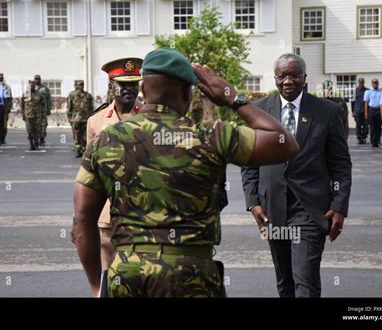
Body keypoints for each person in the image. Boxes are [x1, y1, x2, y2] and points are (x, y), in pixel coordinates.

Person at [72, 48, 299, 298]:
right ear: (188, 92)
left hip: (127, 275)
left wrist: (96, 285)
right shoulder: (213, 136)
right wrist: (233, 98)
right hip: (192, 276)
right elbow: (285, 143)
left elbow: (82, 220)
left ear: (143, 91)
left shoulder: (106, 140)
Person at [241, 53, 352, 298]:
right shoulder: (259, 111)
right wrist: (253, 203)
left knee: (306, 281)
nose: (288, 81)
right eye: (282, 76)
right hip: (273, 209)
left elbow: (341, 164)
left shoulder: (327, 111)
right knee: (285, 281)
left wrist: (340, 205)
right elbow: (250, 160)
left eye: (294, 75)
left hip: (311, 209)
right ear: (275, 78)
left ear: (304, 77)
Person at [84, 57, 144, 274]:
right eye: (123, 84)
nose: (129, 89)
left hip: (144, 212)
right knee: (108, 276)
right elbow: (90, 173)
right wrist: (81, 218)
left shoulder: (151, 116)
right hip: (108, 213)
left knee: (142, 275)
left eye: (133, 84)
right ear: (111, 86)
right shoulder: (96, 121)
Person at [67, 80, 93, 158]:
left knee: (85, 136)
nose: (80, 86)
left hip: (86, 119)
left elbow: (91, 108)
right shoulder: (72, 95)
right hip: (76, 119)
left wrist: (92, 117)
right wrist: (69, 117)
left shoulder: (88, 96)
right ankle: (78, 151)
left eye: (82, 84)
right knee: (77, 136)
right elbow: (69, 107)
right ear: (76, 86)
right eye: (79, 85)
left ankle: (85, 151)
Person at [21, 80, 46, 151]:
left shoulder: (39, 94)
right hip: (28, 115)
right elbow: (22, 106)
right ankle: (31, 144)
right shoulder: (25, 94)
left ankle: (36, 144)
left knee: (37, 131)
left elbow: (43, 104)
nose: (32, 87)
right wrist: (23, 114)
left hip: (38, 115)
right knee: (29, 131)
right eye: (30, 85)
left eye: (33, 85)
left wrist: (43, 114)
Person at [364, 78, 382, 147]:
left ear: (378, 83)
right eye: (374, 83)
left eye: (376, 83)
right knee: (372, 127)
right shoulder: (368, 92)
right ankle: (373, 142)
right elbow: (366, 103)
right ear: (372, 84)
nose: (375, 84)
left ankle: (378, 141)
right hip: (372, 110)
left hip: (379, 110)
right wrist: (366, 113)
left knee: (378, 127)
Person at [34, 75, 52, 146]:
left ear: (40, 80)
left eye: (38, 79)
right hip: (34, 111)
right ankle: (36, 140)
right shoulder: (31, 88)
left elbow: (49, 99)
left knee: (43, 125)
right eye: (35, 79)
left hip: (43, 110)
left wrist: (49, 108)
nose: (37, 80)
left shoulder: (45, 89)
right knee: (35, 126)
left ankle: (42, 139)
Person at [0, 73, 12, 145]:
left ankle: (2, 139)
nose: (0, 79)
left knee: (4, 125)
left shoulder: (7, 87)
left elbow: (9, 99)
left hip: (4, 107)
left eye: (1, 78)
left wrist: (8, 108)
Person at [353, 78, 368, 144]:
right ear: (358, 83)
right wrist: (353, 111)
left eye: (362, 82)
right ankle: (359, 138)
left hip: (365, 111)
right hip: (358, 110)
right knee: (358, 125)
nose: (361, 84)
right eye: (360, 82)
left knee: (366, 125)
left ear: (364, 83)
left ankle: (364, 137)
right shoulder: (355, 91)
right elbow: (353, 102)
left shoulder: (367, 91)